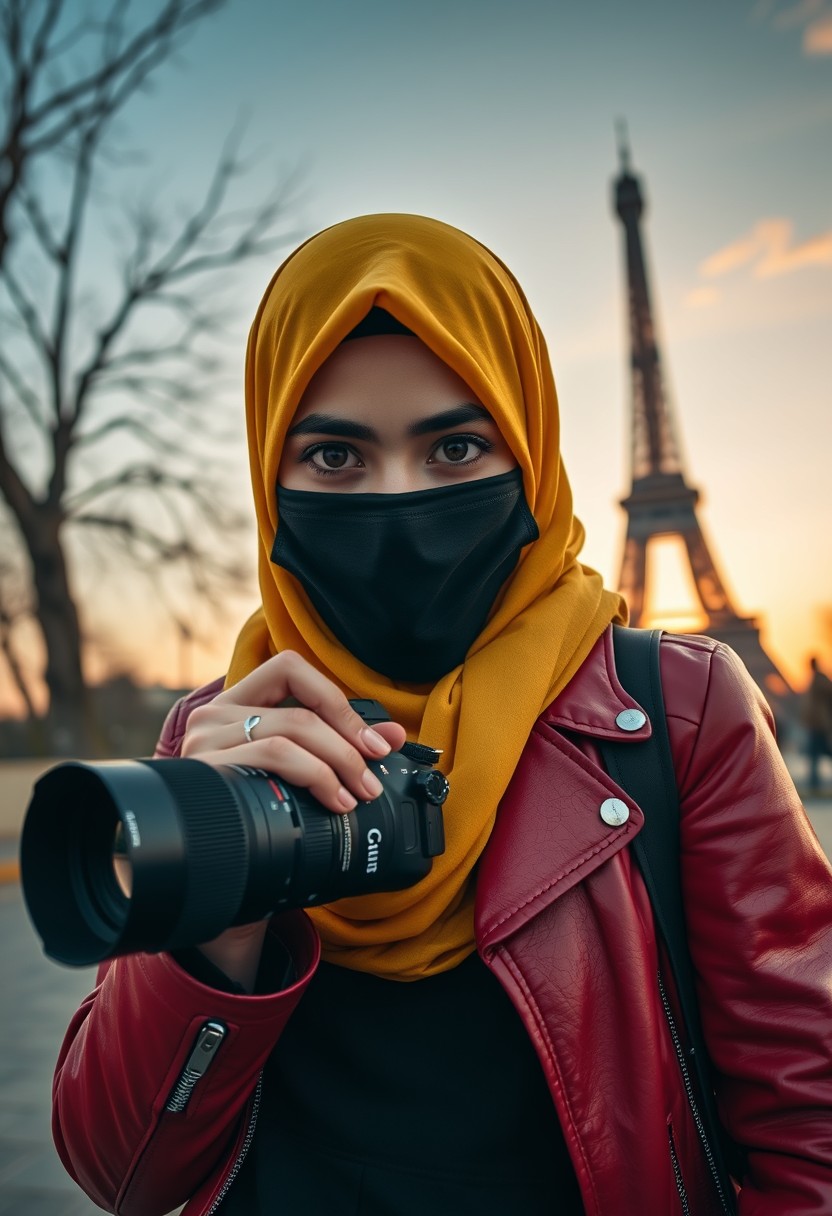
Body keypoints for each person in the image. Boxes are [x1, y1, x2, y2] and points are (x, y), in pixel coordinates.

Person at [51, 215, 832, 1215]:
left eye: (456, 445)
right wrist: (218, 903)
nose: (398, 500)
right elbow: (123, 1170)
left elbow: (806, 1114)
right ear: (267, 476)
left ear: (531, 454)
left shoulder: (679, 712)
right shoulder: (217, 740)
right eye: (335, 457)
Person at [802, 656, 832, 793]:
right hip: (817, 723)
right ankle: (814, 783)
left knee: (815, 754)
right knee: (819, 752)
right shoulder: (818, 679)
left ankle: (814, 783)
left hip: (818, 723)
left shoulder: (819, 679)